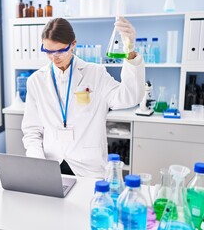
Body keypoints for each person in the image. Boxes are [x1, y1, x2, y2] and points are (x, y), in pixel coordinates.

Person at [21, 17, 145, 178]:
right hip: (50, 166)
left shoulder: (95, 73)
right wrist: (38, 165)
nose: (54, 57)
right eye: (48, 51)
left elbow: (129, 97)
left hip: (88, 168)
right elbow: (32, 131)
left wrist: (130, 51)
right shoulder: (36, 81)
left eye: (60, 51)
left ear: (73, 44)